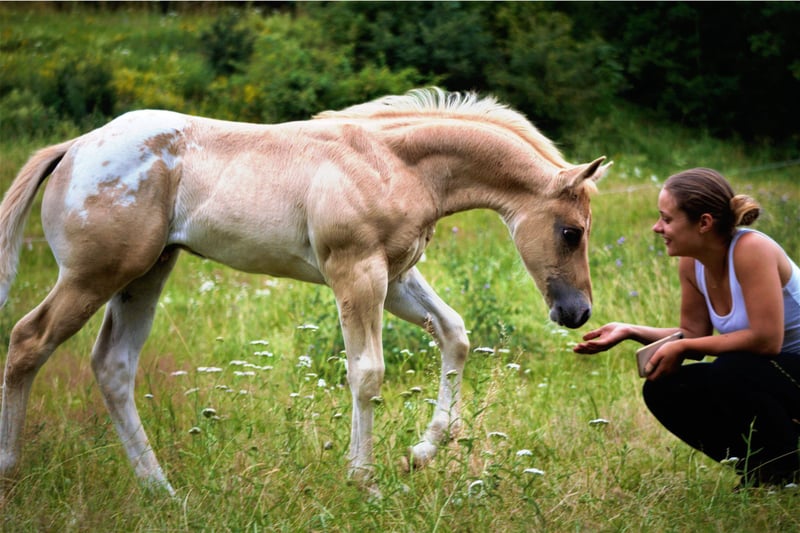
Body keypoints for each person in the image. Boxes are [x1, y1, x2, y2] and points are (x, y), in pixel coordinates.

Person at [574, 167, 800, 488]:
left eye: (666, 219)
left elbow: (766, 340)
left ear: (704, 223)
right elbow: (694, 334)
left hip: (787, 368)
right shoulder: (693, 262)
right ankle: (763, 468)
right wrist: (630, 330)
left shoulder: (752, 250)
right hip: (774, 373)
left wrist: (683, 346)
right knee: (663, 388)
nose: (657, 227)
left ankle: (786, 464)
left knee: (731, 369)